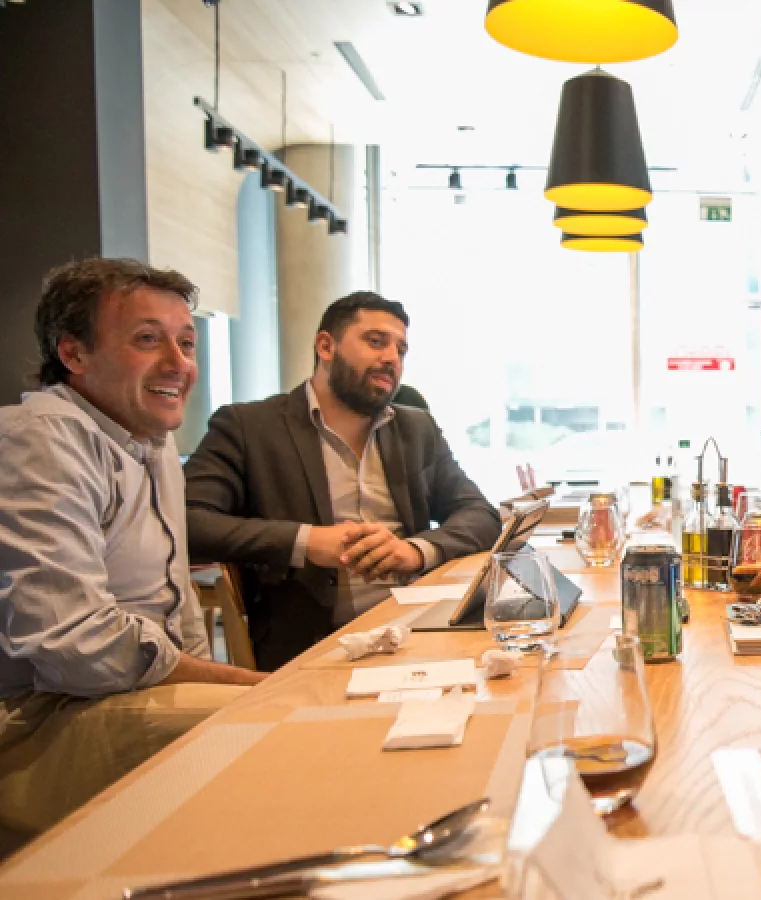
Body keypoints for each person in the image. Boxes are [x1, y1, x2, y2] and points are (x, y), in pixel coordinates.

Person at [0, 259, 265, 856]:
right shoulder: (41, 436)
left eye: (186, 343)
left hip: (118, 700)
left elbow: (179, 615)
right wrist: (250, 685)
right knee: (280, 730)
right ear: (74, 353)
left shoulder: (154, 444)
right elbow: (75, 647)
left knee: (303, 716)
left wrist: (235, 682)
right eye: (148, 339)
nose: (179, 363)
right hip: (40, 717)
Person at [184, 292, 499, 670]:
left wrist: (415, 551)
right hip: (314, 648)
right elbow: (189, 522)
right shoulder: (248, 427)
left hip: (420, 632)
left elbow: (480, 514)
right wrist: (307, 541)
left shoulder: (416, 429)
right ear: (326, 346)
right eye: (376, 342)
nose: (391, 358)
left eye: (401, 350)